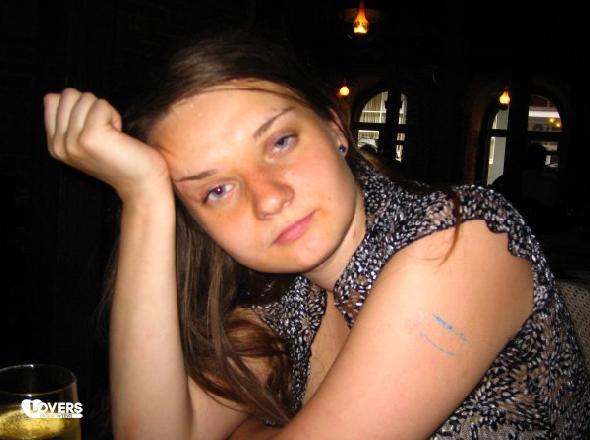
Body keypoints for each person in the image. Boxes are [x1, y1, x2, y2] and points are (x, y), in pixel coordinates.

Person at [43, 32, 590, 439]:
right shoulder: (287, 301)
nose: (269, 198)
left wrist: (251, 432)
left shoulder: (463, 240)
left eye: (280, 142)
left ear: (334, 127)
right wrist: (143, 196)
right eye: (216, 190)